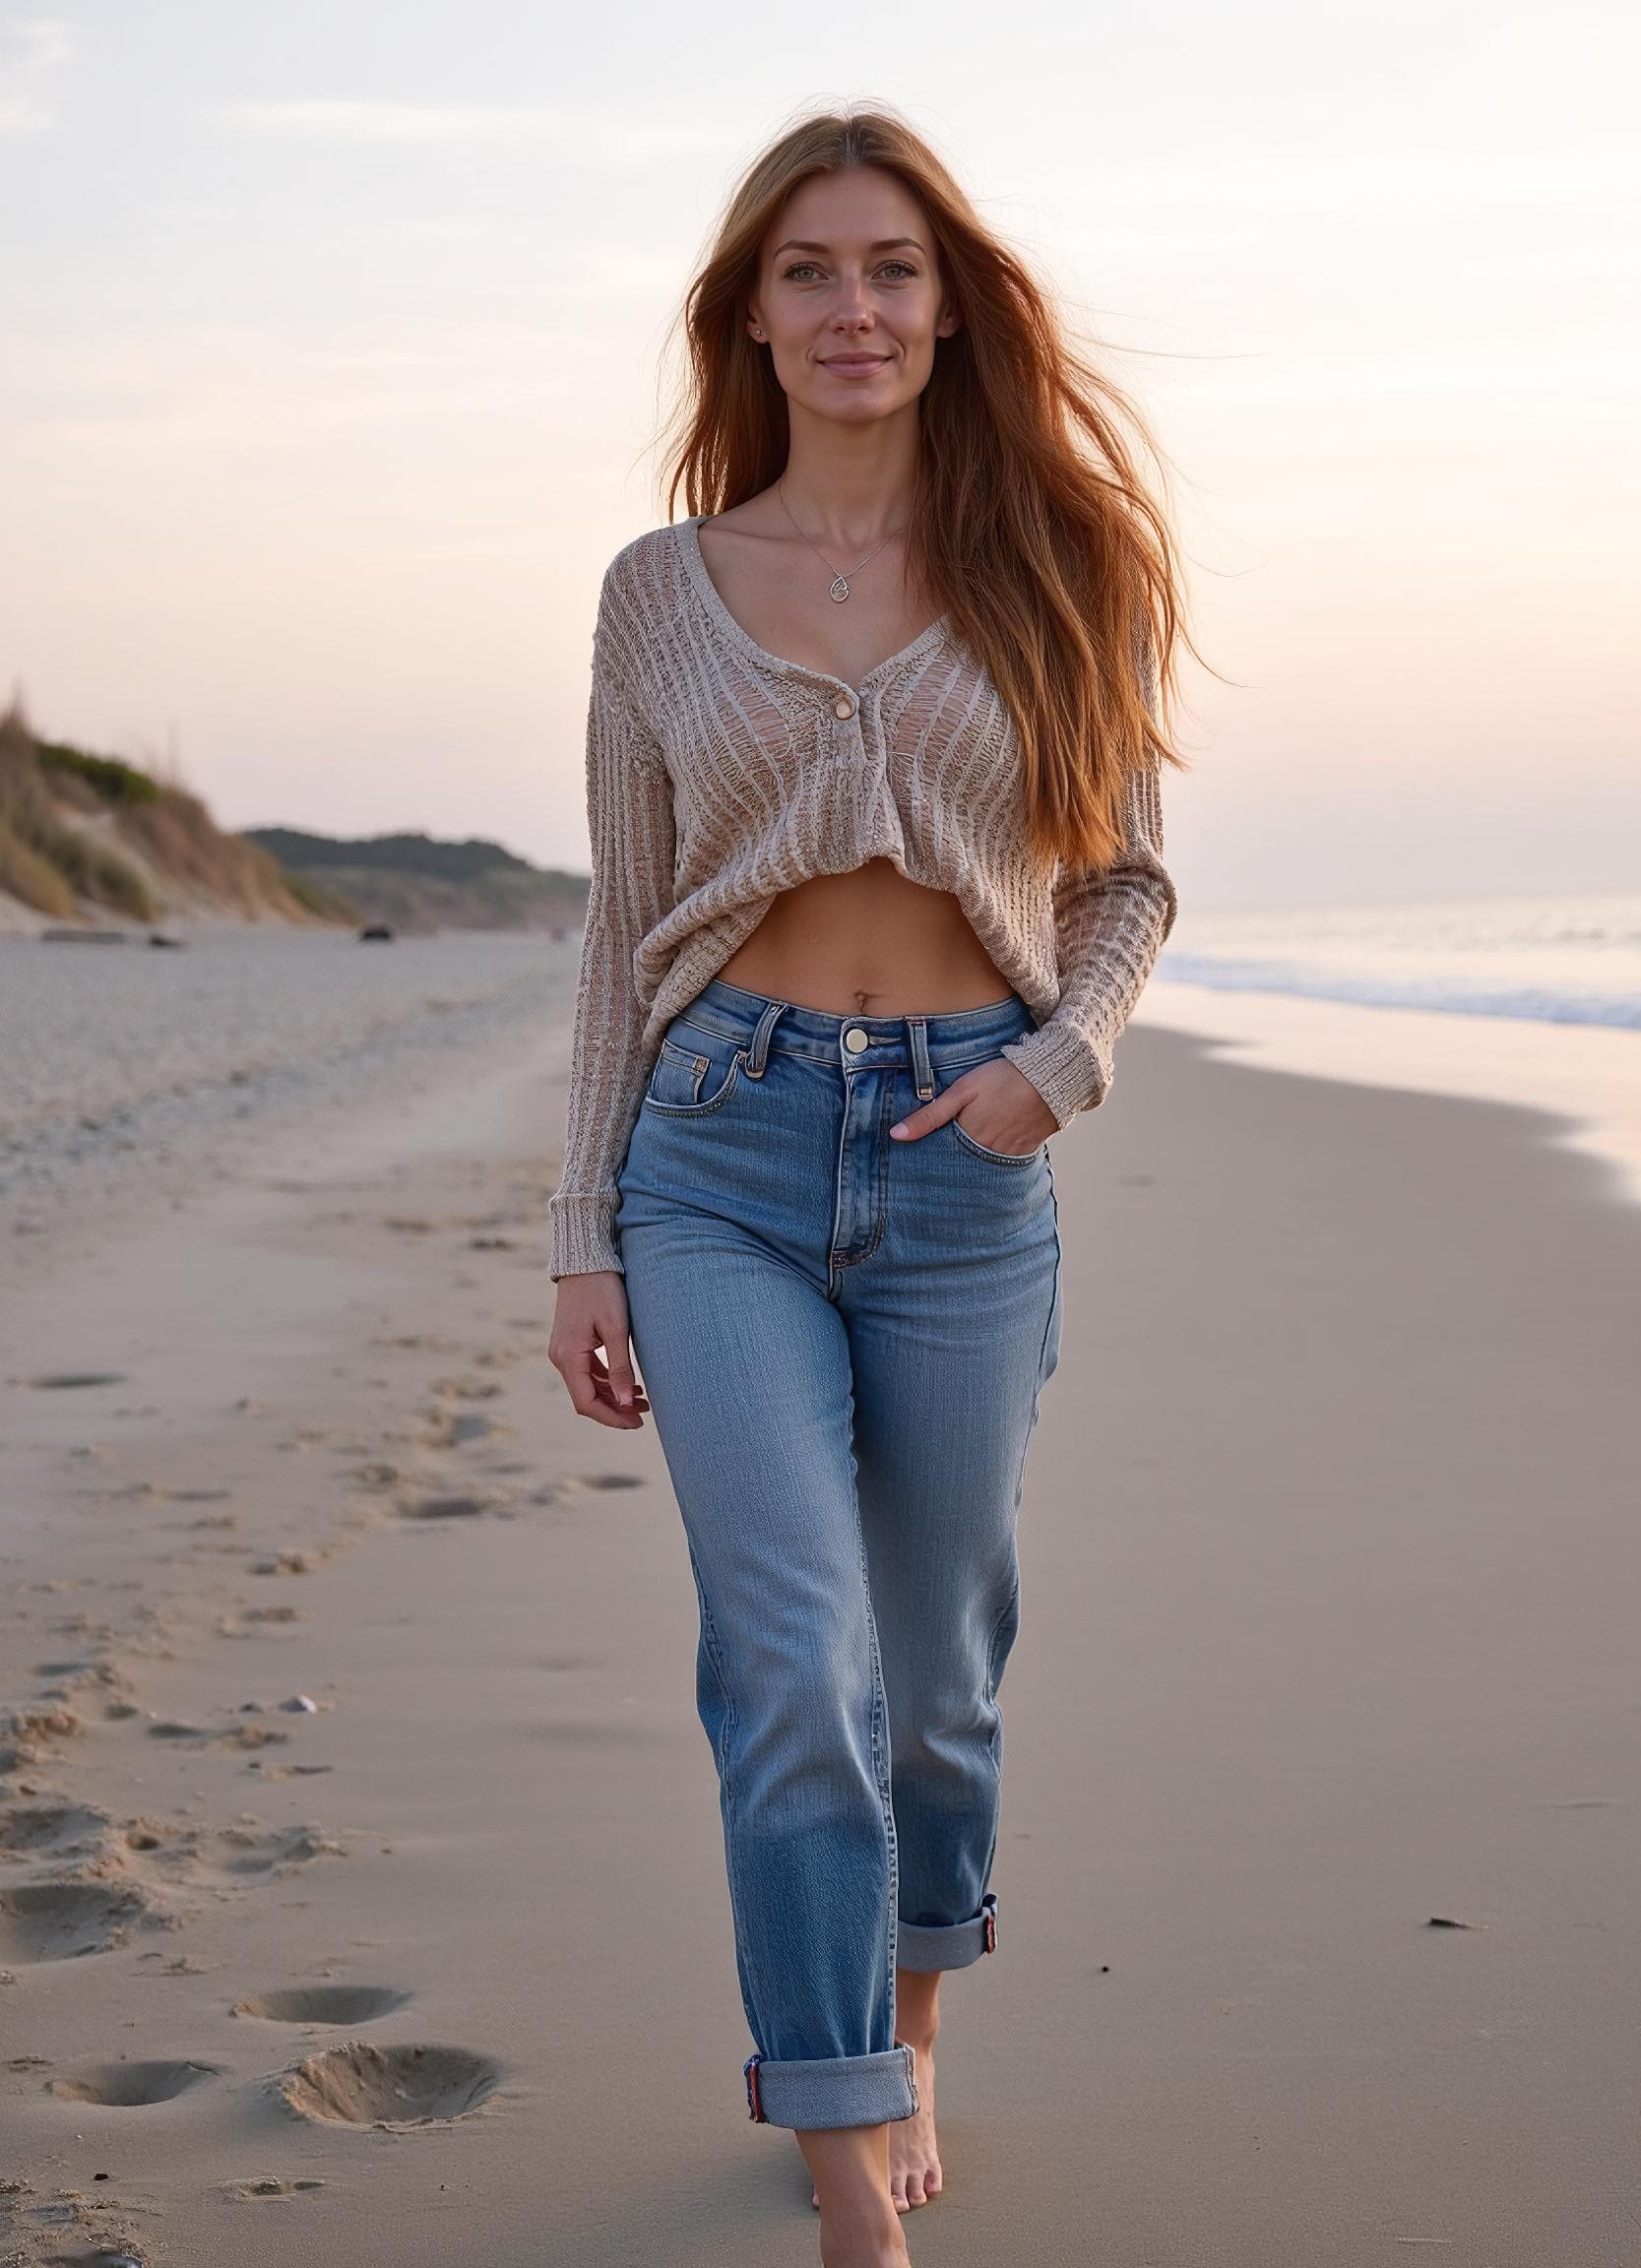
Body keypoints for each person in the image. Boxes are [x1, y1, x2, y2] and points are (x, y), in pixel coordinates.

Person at [547, 102, 1194, 2268]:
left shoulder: (1058, 561)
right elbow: (616, 922)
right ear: (750, 308)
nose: (850, 308)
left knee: (933, 1670)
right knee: (792, 1657)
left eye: (890, 269)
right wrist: (579, 1238)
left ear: (950, 303)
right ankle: (845, 2173)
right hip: (712, 1151)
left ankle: (909, 2028)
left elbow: (1118, 886)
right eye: (808, 270)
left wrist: (1049, 1069)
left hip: (958, 1162)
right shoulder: (660, 593)